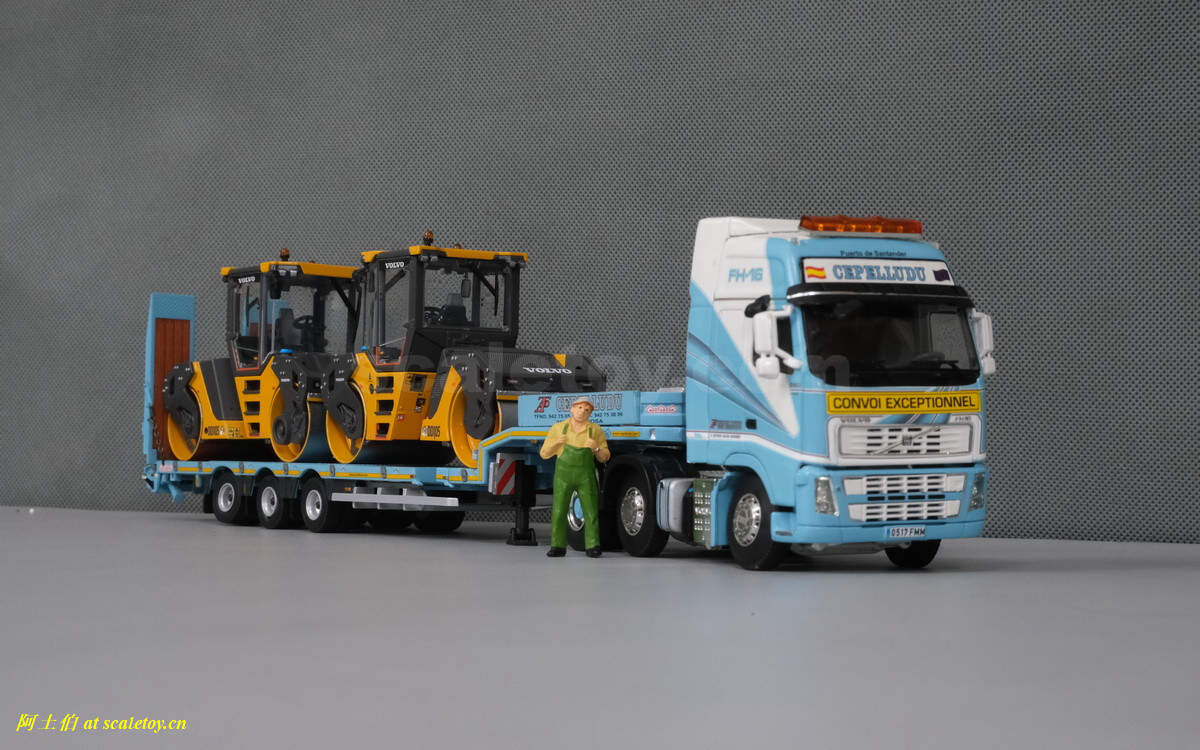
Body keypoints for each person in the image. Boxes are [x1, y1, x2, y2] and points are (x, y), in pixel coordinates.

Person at [539, 397, 610, 558]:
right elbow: (544, 454)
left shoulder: (595, 430)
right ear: (572, 409)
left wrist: (596, 448)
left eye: (587, 409)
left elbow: (604, 457)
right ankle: (557, 546)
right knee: (559, 511)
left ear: (590, 413)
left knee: (590, 511)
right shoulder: (558, 428)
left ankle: (593, 545)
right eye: (579, 407)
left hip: (585, 477)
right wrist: (557, 443)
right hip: (563, 477)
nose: (582, 411)